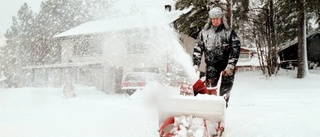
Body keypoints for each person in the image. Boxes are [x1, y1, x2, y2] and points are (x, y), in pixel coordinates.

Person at [193, 7, 241, 106]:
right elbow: (197, 49)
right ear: (210, 19)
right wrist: (196, 64)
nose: (215, 21)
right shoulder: (204, 32)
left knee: (225, 92)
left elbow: (235, 49)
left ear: (221, 19)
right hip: (211, 66)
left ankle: (222, 108)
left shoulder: (229, 32)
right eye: (213, 18)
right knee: (210, 91)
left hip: (226, 67)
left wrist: (231, 66)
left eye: (217, 18)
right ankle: (210, 110)